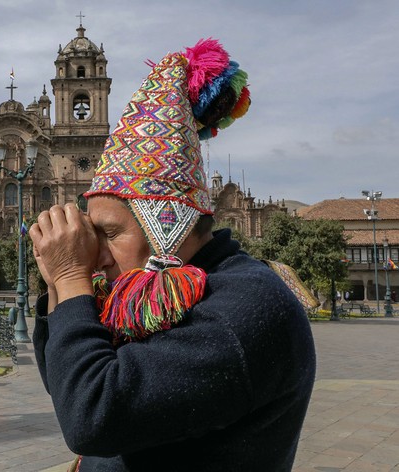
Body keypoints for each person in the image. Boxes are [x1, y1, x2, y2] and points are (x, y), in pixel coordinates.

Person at [30, 38, 316, 471]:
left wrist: (71, 275)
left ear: (168, 221)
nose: (98, 255)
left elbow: (91, 417)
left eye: (108, 232)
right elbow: (67, 386)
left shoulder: (244, 306)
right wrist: (58, 284)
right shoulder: (164, 292)